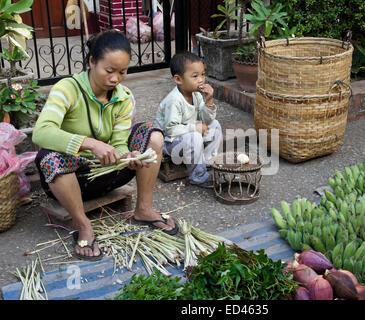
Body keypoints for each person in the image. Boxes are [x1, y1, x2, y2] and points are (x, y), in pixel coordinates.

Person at [32, 30, 178, 261]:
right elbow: (41, 132)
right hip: (72, 178)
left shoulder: (122, 97)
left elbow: (120, 141)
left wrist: (128, 156)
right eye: (109, 71)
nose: (115, 79)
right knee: (48, 156)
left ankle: (143, 209)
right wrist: (90, 144)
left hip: (109, 174)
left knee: (152, 135)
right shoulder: (67, 89)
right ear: (92, 62)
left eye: (122, 72)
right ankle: (83, 224)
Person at [154, 52, 222, 188]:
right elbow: (170, 129)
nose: (201, 79)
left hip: (188, 136)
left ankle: (207, 162)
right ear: (178, 79)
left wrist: (209, 101)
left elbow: (205, 121)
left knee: (215, 125)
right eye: (195, 76)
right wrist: (194, 128)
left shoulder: (196, 95)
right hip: (169, 143)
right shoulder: (174, 101)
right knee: (194, 136)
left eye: (203, 74)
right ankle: (198, 175)